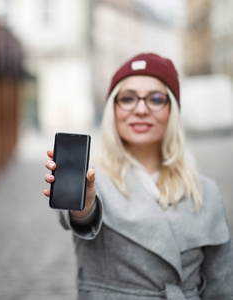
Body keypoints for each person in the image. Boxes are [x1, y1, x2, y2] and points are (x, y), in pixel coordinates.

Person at [43, 53, 233, 299]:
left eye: (155, 99)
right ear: (113, 109)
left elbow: (222, 285)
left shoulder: (205, 191)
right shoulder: (92, 181)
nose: (141, 110)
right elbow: (78, 217)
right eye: (128, 98)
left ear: (172, 110)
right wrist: (83, 205)